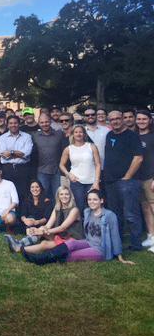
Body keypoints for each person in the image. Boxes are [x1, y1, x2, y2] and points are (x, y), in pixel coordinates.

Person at [21, 190, 133, 265]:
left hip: (100, 249)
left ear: (101, 201)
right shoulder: (88, 212)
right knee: (71, 243)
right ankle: (41, 256)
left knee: (72, 255)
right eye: (89, 199)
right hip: (88, 242)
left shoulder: (109, 215)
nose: (92, 202)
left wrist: (120, 257)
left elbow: (115, 236)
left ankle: (40, 260)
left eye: (95, 199)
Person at [104, 110, 144, 251]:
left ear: (122, 119)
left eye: (117, 118)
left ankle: (136, 244)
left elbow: (138, 158)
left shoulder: (132, 136)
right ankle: (117, 241)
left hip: (128, 182)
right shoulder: (109, 135)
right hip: (110, 182)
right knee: (115, 215)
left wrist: (127, 177)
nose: (115, 121)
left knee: (131, 215)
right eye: (112, 119)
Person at [4, 186, 81, 255]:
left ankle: (19, 248)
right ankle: (20, 243)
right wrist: (38, 230)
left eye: (66, 194)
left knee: (44, 244)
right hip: (61, 235)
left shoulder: (74, 210)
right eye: (61, 194)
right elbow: (48, 225)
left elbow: (62, 228)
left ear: (70, 196)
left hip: (72, 240)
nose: (64, 196)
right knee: (41, 228)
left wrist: (43, 231)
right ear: (58, 196)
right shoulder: (57, 208)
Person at [59, 125, 101, 213]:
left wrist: (96, 182)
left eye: (81, 132)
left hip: (91, 181)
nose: (78, 134)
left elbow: (98, 164)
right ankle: (81, 226)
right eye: (76, 132)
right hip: (77, 182)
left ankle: (92, 226)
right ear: (73, 134)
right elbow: (61, 165)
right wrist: (68, 174)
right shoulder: (68, 149)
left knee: (93, 206)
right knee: (80, 206)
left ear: (84, 134)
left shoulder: (91, 146)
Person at [0, 115, 33, 201]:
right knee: (8, 194)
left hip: (23, 169)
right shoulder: (2, 138)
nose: (13, 125)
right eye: (11, 123)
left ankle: (22, 214)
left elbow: (27, 153)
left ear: (19, 124)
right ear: (7, 124)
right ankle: (10, 214)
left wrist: (11, 152)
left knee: (23, 194)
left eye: (15, 123)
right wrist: (19, 153)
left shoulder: (27, 137)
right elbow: (3, 154)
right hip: (7, 169)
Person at [33, 114, 67, 199]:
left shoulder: (59, 134)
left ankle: (58, 212)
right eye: (42, 122)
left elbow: (65, 151)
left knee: (58, 197)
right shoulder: (35, 136)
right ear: (38, 123)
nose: (44, 124)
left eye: (46, 122)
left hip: (57, 171)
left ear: (50, 122)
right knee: (42, 196)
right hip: (41, 171)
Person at [135, 110, 154, 250]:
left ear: (150, 120)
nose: (141, 121)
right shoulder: (134, 136)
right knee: (146, 208)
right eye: (139, 119)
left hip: (150, 177)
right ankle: (151, 236)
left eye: (144, 119)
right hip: (138, 178)